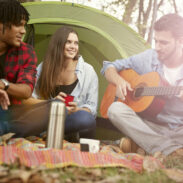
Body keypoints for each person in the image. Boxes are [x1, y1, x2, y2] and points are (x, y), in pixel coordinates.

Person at [101, 13, 183, 156]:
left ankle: (146, 146)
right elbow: (109, 67)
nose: (157, 47)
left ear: (180, 41)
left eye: (163, 43)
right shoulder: (149, 57)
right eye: (155, 41)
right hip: (148, 127)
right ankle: (170, 150)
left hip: (178, 130)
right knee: (115, 109)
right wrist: (119, 81)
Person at [31, 26, 98, 141]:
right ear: (58, 44)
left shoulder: (88, 71)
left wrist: (76, 110)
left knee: (87, 119)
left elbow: (91, 108)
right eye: (68, 42)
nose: (73, 47)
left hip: (72, 121)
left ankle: (52, 132)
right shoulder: (44, 67)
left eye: (76, 43)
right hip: (49, 117)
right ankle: (48, 131)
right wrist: (51, 103)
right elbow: (33, 99)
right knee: (27, 117)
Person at [0, 0, 44, 137]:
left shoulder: (26, 51)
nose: (23, 31)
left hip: (13, 111)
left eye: (24, 26)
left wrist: (4, 85)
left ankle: (6, 128)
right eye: (18, 25)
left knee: (54, 108)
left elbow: (26, 90)